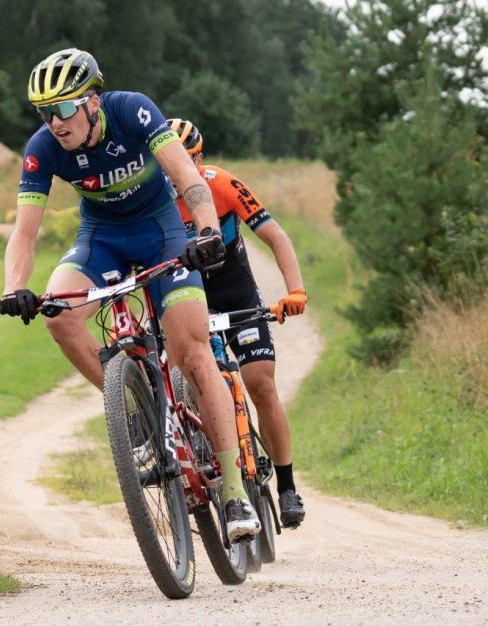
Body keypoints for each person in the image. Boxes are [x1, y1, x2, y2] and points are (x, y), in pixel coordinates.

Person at [0, 48, 260, 540]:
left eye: (63, 108)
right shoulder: (42, 148)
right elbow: (25, 232)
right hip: (101, 240)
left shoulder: (132, 109)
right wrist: (15, 288)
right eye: (44, 112)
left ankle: (233, 491)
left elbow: (188, 180)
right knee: (59, 315)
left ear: (93, 101)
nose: (54, 122)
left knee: (192, 350)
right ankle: (135, 414)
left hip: (164, 232)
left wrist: (205, 233)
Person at [166, 117, 308, 528]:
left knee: (261, 384)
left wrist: (294, 290)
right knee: (196, 381)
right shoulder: (154, 200)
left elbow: (276, 236)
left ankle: (286, 486)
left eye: (187, 162)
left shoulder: (222, 184)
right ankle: (214, 466)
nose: (177, 175)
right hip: (192, 304)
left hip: (237, 295)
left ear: (200, 159)